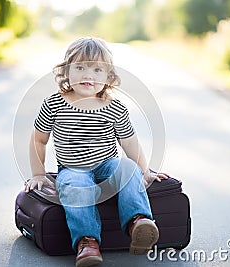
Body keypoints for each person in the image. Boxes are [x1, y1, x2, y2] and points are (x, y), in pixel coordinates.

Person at [25, 37, 167, 267]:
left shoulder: (115, 107)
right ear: (66, 72)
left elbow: (130, 142)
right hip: (73, 168)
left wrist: (145, 171)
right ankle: (87, 241)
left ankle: (138, 222)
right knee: (75, 186)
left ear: (108, 77)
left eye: (97, 69)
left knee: (128, 168)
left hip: (106, 166)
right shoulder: (53, 103)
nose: (87, 75)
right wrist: (38, 174)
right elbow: (38, 140)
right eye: (79, 67)